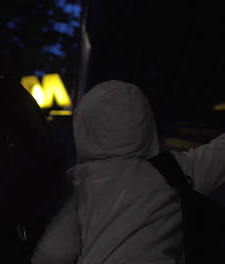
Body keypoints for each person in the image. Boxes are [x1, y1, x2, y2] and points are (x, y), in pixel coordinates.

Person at [31, 80, 225, 264]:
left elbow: (55, 254)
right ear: (146, 121)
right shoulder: (172, 170)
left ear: (83, 127)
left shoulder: (77, 184)